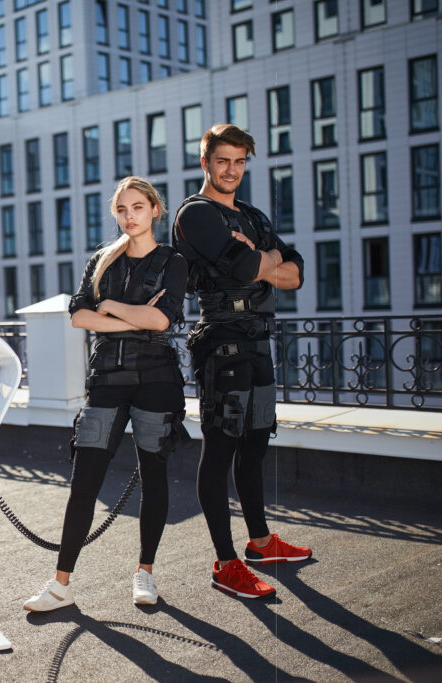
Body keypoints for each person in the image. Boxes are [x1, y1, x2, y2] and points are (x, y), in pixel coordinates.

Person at [24, 177, 189, 612]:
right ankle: (60, 585)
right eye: (122, 209)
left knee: (153, 478)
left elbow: (163, 322)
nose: (129, 216)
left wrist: (112, 308)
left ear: (156, 209)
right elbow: (79, 316)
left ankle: (145, 574)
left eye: (138, 207)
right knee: (84, 483)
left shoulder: (173, 261)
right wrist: (136, 314)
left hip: (156, 380)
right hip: (107, 381)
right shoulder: (101, 261)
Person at [171, 123, 312, 600]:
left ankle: (260, 542)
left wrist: (264, 257)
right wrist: (265, 264)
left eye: (239, 161)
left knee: (255, 444)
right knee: (221, 449)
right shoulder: (196, 213)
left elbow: (296, 274)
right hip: (221, 343)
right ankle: (225, 563)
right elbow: (252, 268)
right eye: (223, 160)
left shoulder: (251, 215)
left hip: (258, 342)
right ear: (206, 162)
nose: (231, 170)